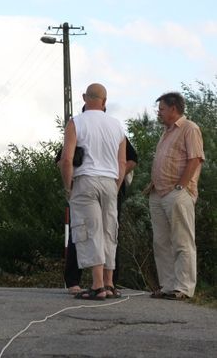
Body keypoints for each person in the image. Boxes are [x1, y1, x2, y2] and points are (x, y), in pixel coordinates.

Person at [60, 83, 126, 300]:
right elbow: (122, 163)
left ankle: (97, 286)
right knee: (109, 231)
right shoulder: (117, 126)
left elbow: (67, 160)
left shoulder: (76, 122)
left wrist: (68, 186)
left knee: (89, 231)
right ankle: (109, 283)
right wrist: (115, 187)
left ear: (84, 98)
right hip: (109, 181)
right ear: (105, 101)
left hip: (86, 180)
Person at [146, 92, 204, 300]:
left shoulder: (190, 128)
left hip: (177, 193)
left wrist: (180, 187)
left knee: (182, 241)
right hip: (158, 193)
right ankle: (168, 285)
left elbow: (195, 159)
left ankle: (183, 288)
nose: (159, 113)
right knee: (161, 242)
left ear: (173, 109)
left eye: (161, 109)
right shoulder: (166, 132)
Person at [61, 137, 137, 294]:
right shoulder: (106, 127)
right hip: (105, 186)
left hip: (95, 184)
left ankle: (101, 284)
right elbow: (63, 159)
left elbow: (131, 160)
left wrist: (68, 187)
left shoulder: (82, 126)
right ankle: (99, 283)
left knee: (91, 231)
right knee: (104, 233)